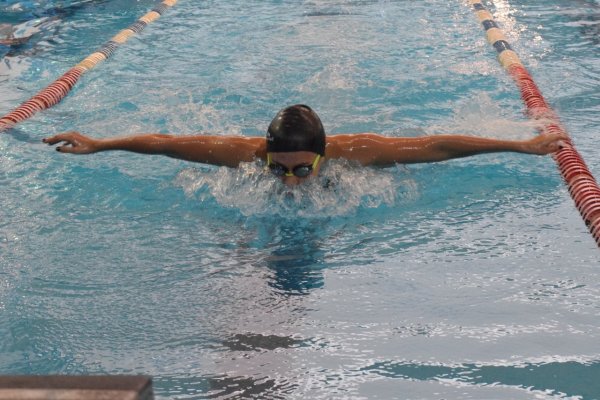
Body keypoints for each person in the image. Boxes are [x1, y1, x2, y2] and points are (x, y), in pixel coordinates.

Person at [43, 104, 566, 186]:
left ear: (324, 154)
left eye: (301, 170)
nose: (290, 182)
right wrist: (100, 145)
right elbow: (164, 143)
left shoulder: (356, 151)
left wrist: (519, 147)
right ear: (264, 156)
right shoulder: (241, 154)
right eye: (279, 170)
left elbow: (434, 146)